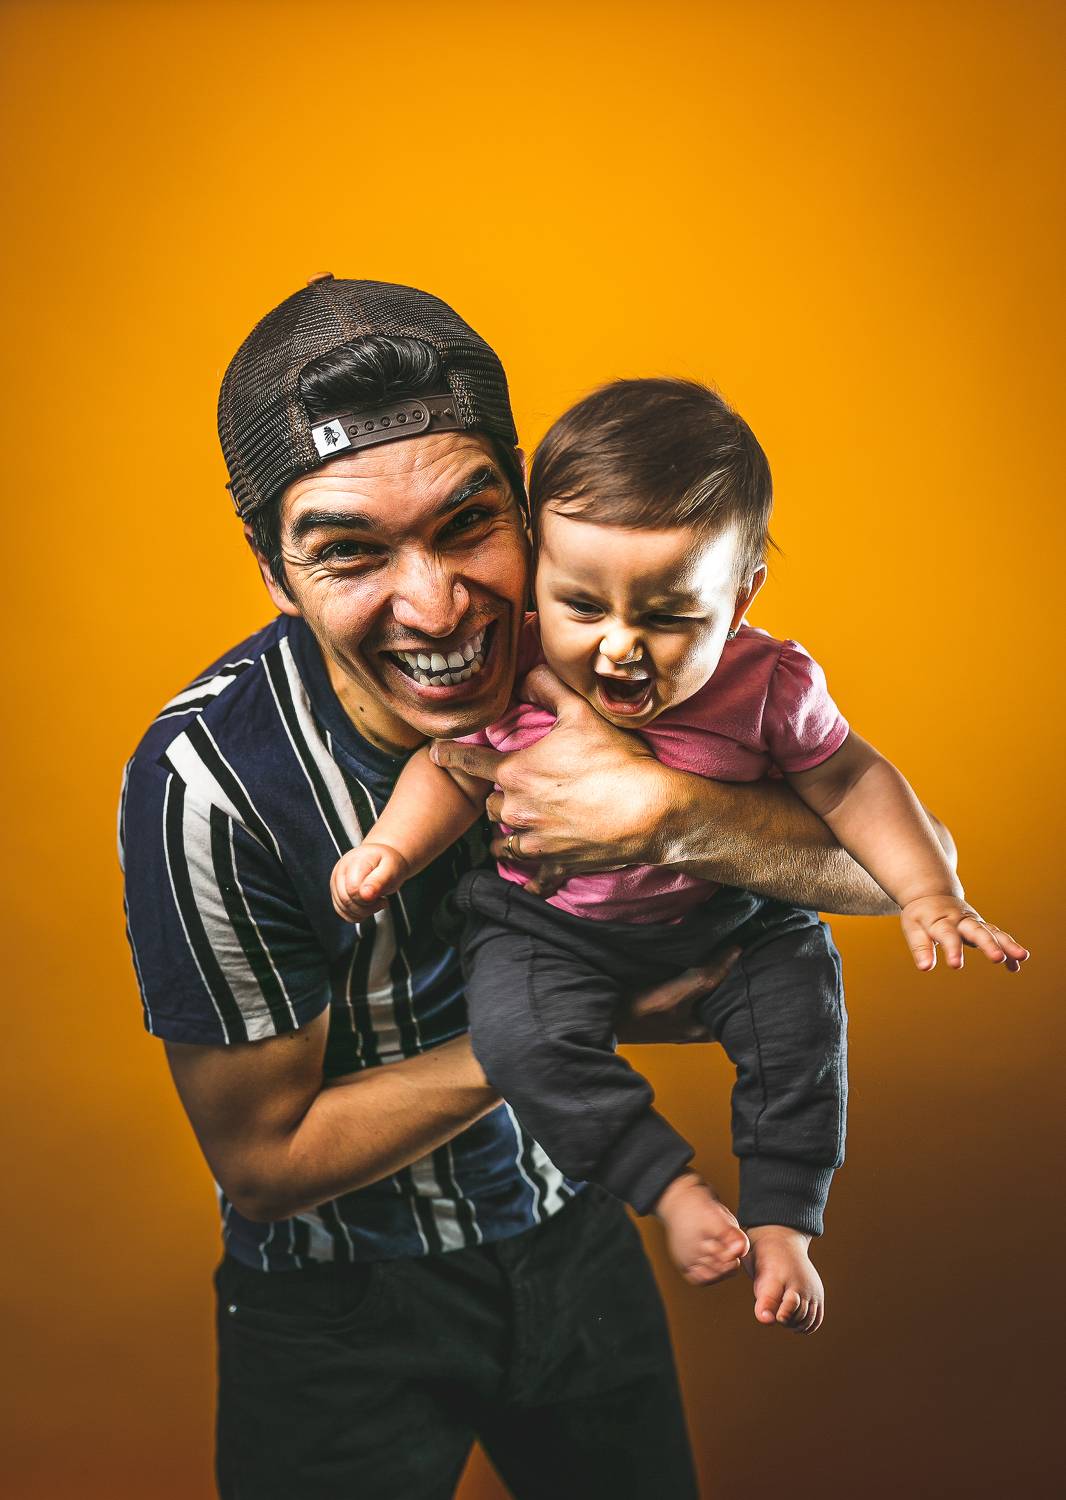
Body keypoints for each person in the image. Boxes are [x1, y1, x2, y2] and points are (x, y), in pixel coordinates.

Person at [121, 276, 956, 1500]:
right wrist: (568, 1029)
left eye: (468, 526)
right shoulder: (206, 785)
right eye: (349, 552)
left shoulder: (620, 643)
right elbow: (264, 1159)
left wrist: (673, 814)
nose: (436, 608)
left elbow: (905, 864)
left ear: (527, 506)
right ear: (273, 570)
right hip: (335, 1307)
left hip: (576, 1231)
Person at [333, 377, 1029, 1335]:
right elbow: (450, 770)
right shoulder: (518, 661)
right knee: (516, 1036)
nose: (619, 648)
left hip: (723, 919)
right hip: (547, 925)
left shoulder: (768, 686)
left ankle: (785, 1219)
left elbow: (852, 781)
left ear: (739, 597)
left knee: (802, 1009)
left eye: (666, 617)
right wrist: (390, 849)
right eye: (582, 605)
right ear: (536, 570)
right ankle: (665, 1186)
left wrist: (929, 892)